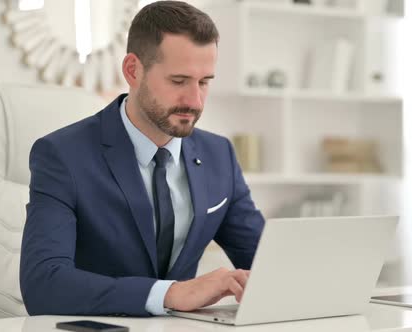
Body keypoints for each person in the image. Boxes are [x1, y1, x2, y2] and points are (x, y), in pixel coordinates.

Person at [20, 1, 265, 317]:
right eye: (178, 81)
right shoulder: (63, 155)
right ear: (133, 71)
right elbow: (43, 286)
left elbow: (268, 265)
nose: (194, 100)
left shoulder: (219, 155)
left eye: (204, 82)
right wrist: (170, 294)